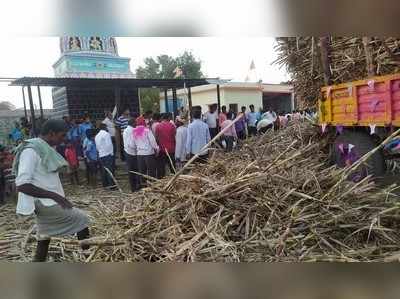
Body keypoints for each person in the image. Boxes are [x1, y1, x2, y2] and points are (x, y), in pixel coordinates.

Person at [13, 119, 90, 262]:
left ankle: (38, 263)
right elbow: (22, 185)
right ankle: (89, 258)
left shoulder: (44, 147)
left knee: (44, 238)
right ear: (51, 133)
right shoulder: (30, 151)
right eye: (62, 135)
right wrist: (56, 197)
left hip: (46, 201)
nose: (64, 139)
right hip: (45, 203)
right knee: (82, 220)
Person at [131, 118, 159, 187]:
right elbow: (153, 142)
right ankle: (152, 185)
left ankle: (143, 185)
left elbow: (132, 144)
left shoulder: (134, 131)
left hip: (140, 154)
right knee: (151, 171)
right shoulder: (147, 130)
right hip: (148, 153)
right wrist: (157, 149)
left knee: (142, 171)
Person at [155, 113, 176, 178]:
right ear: (168, 118)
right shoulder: (172, 126)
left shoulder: (158, 126)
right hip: (171, 149)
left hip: (162, 149)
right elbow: (174, 136)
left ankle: (161, 178)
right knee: (172, 166)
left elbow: (156, 138)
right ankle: (174, 178)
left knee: (161, 166)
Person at [95, 124, 115, 190]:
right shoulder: (106, 134)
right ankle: (111, 186)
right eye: (106, 127)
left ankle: (105, 185)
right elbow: (109, 145)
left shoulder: (97, 136)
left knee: (103, 171)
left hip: (101, 155)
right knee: (110, 170)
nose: (107, 128)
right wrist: (111, 154)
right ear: (104, 127)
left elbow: (97, 147)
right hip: (107, 154)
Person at [123, 118, 140, 192]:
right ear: (133, 123)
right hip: (132, 152)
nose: (136, 124)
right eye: (135, 123)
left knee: (131, 170)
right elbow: (132, 143)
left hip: (127, 151)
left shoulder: (126, 130)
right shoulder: (132, 130)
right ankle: (135, 187)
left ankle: (133, 187)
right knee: (135, 170)